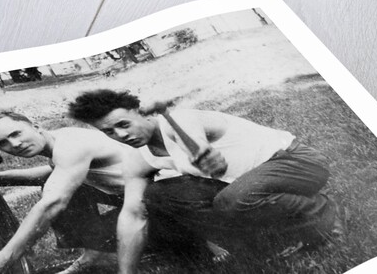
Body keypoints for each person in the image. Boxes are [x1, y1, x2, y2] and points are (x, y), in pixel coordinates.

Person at [69, 90, 342, 271]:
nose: (120, 135)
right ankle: (262, 240)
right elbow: (132, 214)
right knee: (158, 195)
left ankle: (323, 211)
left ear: (141, 112)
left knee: (232, 200)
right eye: (109, 132)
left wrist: (203, 152)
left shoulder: (180, 119)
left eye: (124, 124)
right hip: (248, 185)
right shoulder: (138, 159)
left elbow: (194, 138)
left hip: (296, 163)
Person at [0, 110, 228, 274]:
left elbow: (51, 204)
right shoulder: (58, 142)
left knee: (55, 195)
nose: (14, 144)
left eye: (16, 133)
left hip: (172, 193)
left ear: (35, 126)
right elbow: (51, 172)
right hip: (135, 194)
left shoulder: (70, 146)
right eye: (3, 143)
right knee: (55, 184)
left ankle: (208, 239)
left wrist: (6, 255)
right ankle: (95, 255)